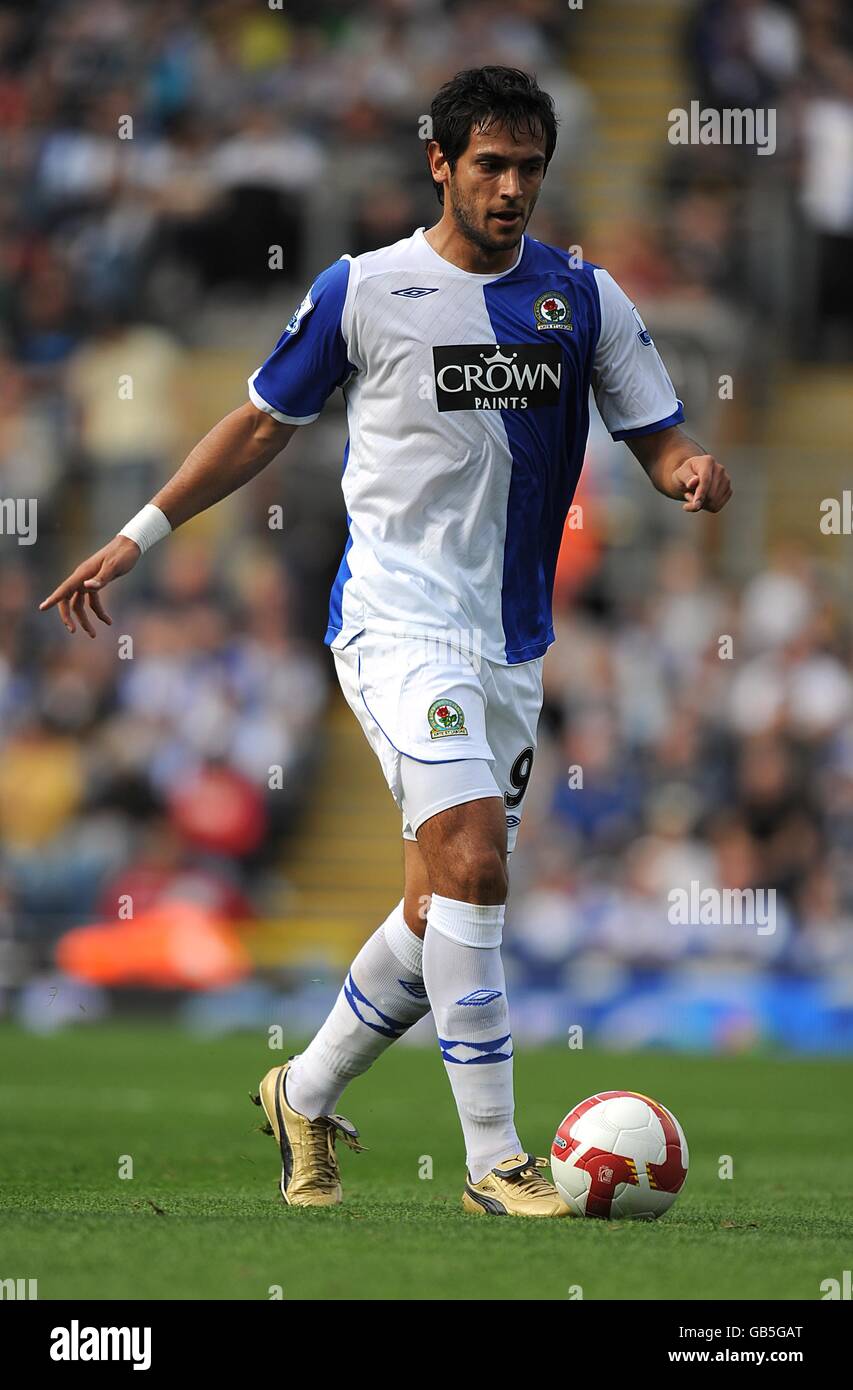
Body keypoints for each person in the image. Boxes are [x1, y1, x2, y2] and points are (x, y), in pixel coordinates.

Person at [40, 66, 732, 1218]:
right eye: (490, 166)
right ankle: (494, 1161)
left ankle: (299, 1095)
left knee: (435, 914)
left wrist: (689, 474)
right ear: (441, 165)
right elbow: (262, 419)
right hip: (395, 623)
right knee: (473, 858)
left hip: (509, 643)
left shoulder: (586, 299)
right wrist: (138, 533)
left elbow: (656, 434)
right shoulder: (365, 289)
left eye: (529, 170)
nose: (511, 189)